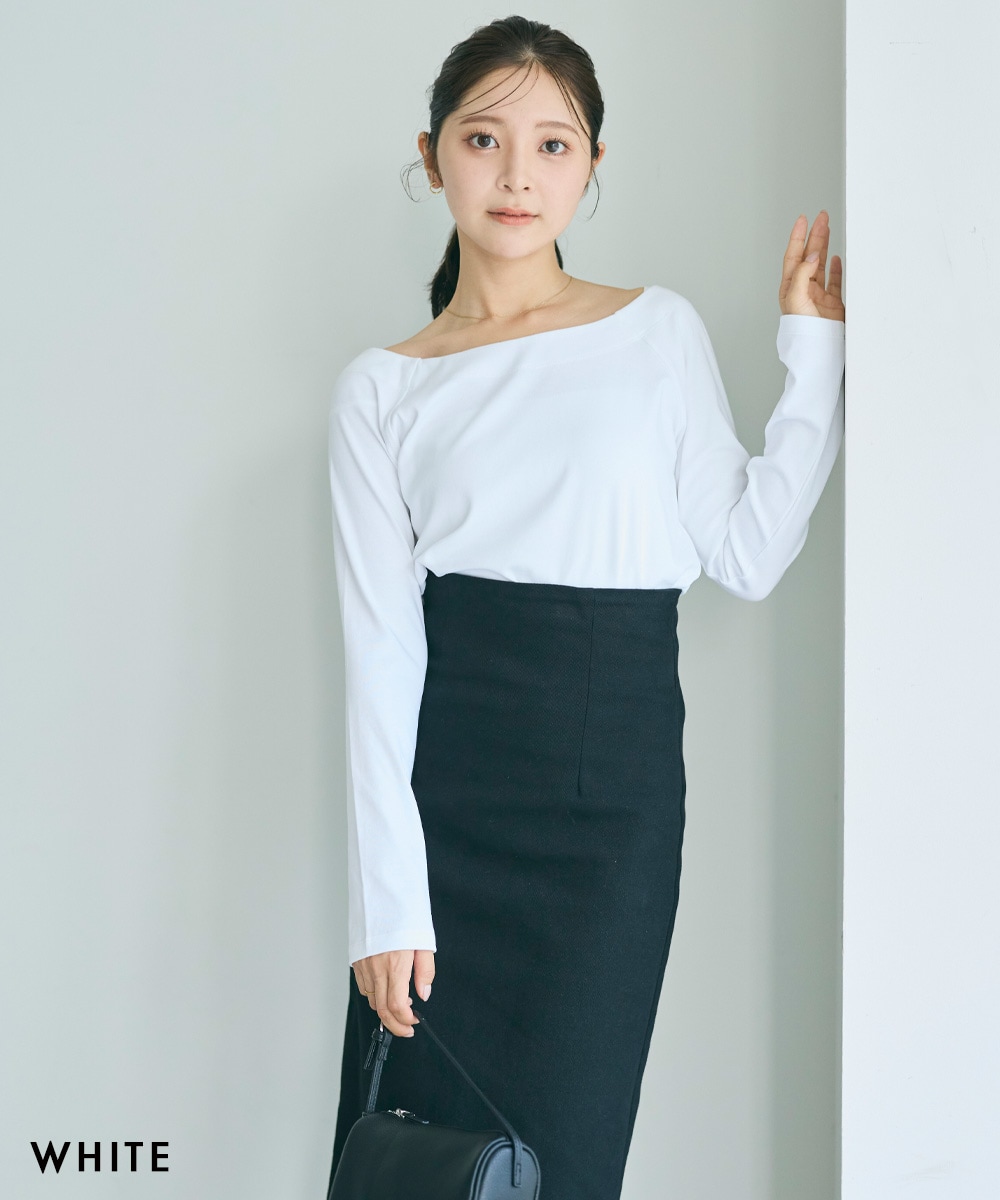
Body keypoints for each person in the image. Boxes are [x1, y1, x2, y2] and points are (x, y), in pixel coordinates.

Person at [324, 15, 845, 1200]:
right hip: (451, 801)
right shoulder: (380, 390)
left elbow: (747, 554)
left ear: (592, 166)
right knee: (415, 1157)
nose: (517, 175)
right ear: (431, 155)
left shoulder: (655, 331)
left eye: (553, 145)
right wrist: (386, 907)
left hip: (611, 802)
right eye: (483, 139)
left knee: (565, 1158)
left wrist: (812, 356)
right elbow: (380, 655)